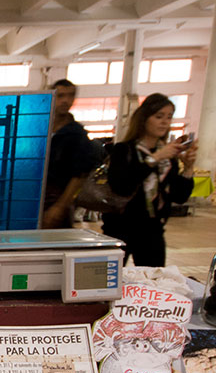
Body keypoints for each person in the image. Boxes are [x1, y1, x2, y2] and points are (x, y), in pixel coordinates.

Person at [100, 93, 196, 267]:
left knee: (153, 282)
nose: (164, 122)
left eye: (169, 117)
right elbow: (121, 186)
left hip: (153, 230)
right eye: (158, 116)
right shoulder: (124, 150)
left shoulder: (169, 157)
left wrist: (188, 169)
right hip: (120, 228)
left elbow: (179, 197)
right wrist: (154, 159)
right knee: (109, 281)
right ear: (144, 119)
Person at [42, 78, 98, 229]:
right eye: (60, 96)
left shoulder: (76, 135)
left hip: (58, 198)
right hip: (35, 198)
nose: (65, 101)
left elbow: (79, 176)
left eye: (70, 95)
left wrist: (60, 206)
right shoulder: (41, 128)